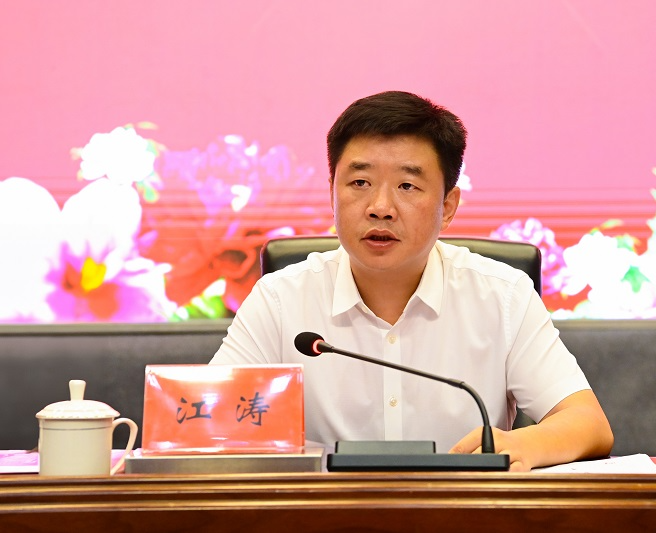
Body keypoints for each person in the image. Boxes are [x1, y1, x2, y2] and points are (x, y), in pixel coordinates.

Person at [211, 90, 613, 471]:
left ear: (448, 206)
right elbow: (207, 421)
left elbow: (588, 424)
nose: (380, 207)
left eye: (407, 186)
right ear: (331, 193)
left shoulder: (502, 296)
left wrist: (524, 445)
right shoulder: (280, 300)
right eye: (360, 183)